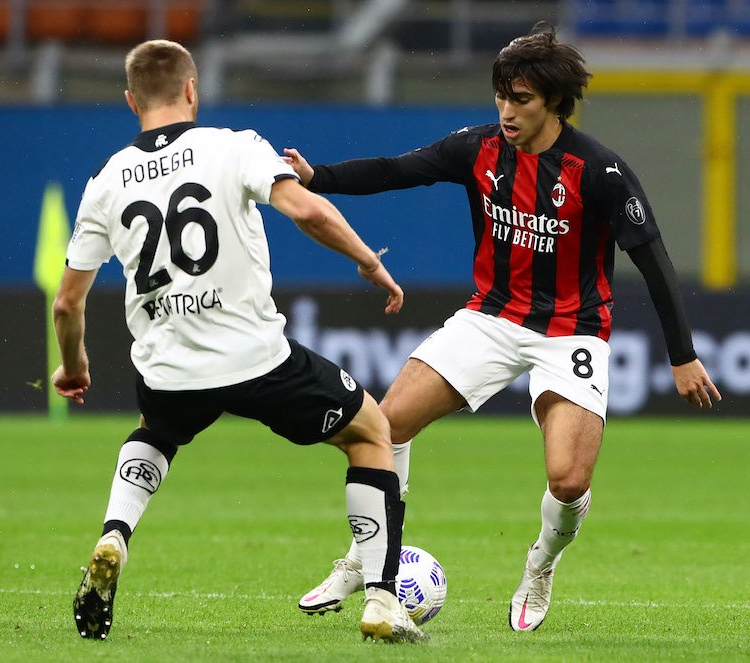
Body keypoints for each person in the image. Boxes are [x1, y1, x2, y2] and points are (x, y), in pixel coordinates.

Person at [285, 22, 722, 631]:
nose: (506, 111)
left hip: (572, 331)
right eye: (501, 96)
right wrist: (318, 177)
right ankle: (367, 556)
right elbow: (395, 170)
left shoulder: (599, 171)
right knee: (384, 424)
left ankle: (541, 564)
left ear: (555, 103)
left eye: (521, 99)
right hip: (490, 318)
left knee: (568, 480)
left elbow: (654, 261)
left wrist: (682, 354)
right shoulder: (479, 149)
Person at [51, 39, 426, 644]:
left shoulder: (105, 180)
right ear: (191, 89)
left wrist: (74, 366)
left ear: (130, 101)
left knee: (157, 432)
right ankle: (383, 599)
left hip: (168, 368)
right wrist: (368, 261)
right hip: (256, 359)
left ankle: (115, 534)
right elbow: (309, 212)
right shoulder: (235, 145)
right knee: (371, 432)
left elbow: (67, 303)